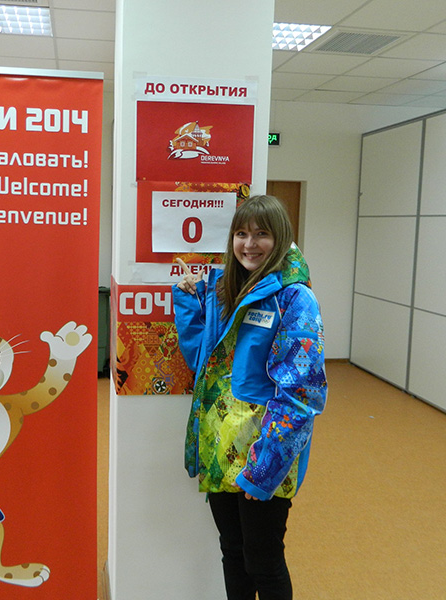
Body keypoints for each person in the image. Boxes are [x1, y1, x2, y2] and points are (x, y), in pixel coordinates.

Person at [172, 194, 327, 600]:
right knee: (233, 552)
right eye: (241, 234)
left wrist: (264, 469)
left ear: (281, 238)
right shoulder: (230, 289)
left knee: (264, 560)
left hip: (263, 452)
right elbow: (202, 361)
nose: (249, 244)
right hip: (220, 444)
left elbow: (301, 395)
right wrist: (188, 301)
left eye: (262, 234)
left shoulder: (295, 299)